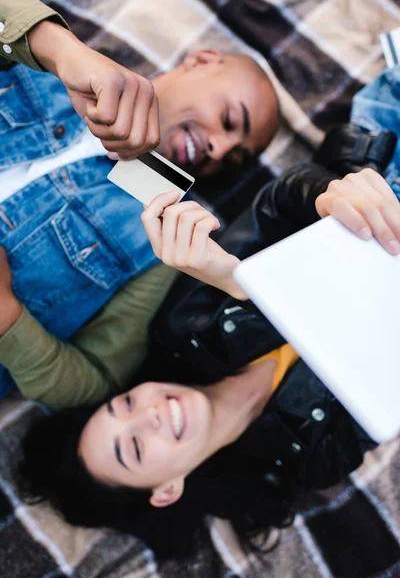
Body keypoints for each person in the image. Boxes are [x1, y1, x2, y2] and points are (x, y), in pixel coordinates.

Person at [16, 168, 400, 559]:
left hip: (380, 204)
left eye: (126, 404)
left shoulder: (183, 327)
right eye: (134, 447)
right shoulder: (315, 457)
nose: (149, 414)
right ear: (167, 490)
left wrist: (325, 197)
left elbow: (279, 202)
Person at [0, 0, 278, 398]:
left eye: (234, 158)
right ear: (202, 61)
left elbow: (96, 381)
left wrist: (6, 314)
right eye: (228, 118)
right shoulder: (48, 59)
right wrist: (58, 48)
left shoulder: (163, 245)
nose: (219, 149)